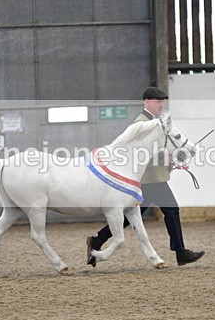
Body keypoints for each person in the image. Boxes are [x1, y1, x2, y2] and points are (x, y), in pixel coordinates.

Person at [86, 86, 205, 267]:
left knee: (132, 215)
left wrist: (170, 161)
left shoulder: (156, 122)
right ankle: (181, 252)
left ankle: (98, 239)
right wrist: (166, 158)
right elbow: (140, 155)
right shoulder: (142, 123)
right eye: (158, 102)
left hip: (153, 177)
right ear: (147, 102)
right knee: (171, 210)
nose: (161, 105)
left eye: (162, 102)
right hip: (149, 179)